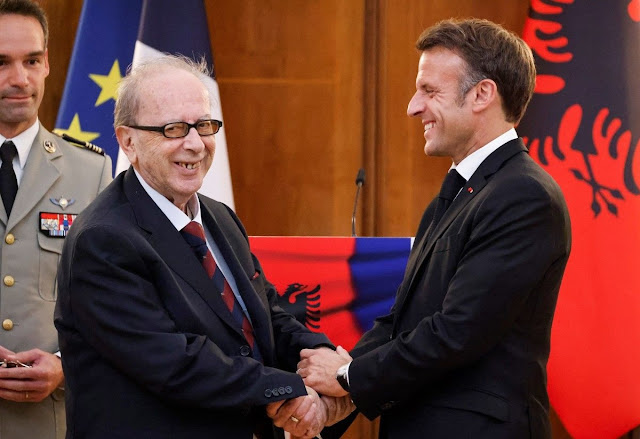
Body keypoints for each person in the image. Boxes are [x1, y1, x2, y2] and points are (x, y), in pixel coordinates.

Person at [297, 18, 572, 439]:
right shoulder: (459, 192)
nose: (412, 106)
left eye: (429, 90)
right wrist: (341, 392)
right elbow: (402, 322)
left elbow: (458, 331)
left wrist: (349, 377)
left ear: (482, 94)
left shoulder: (523, 195)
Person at [54, 54, 347, 439]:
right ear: (128, 141)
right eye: (174, 129)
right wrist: (294, 391)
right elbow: (176, 364)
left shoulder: (219, 217)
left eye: (204, 126)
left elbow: (267, 316)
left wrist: (328, 363)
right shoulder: (103, 240)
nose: (195, 144)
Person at [0, 1, 112, 438]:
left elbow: (114, 300)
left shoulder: (93, 172)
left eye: (31, 60)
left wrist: (66, 366)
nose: (19, 79)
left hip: (50, 421)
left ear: (47, 63)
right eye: (2, 62)